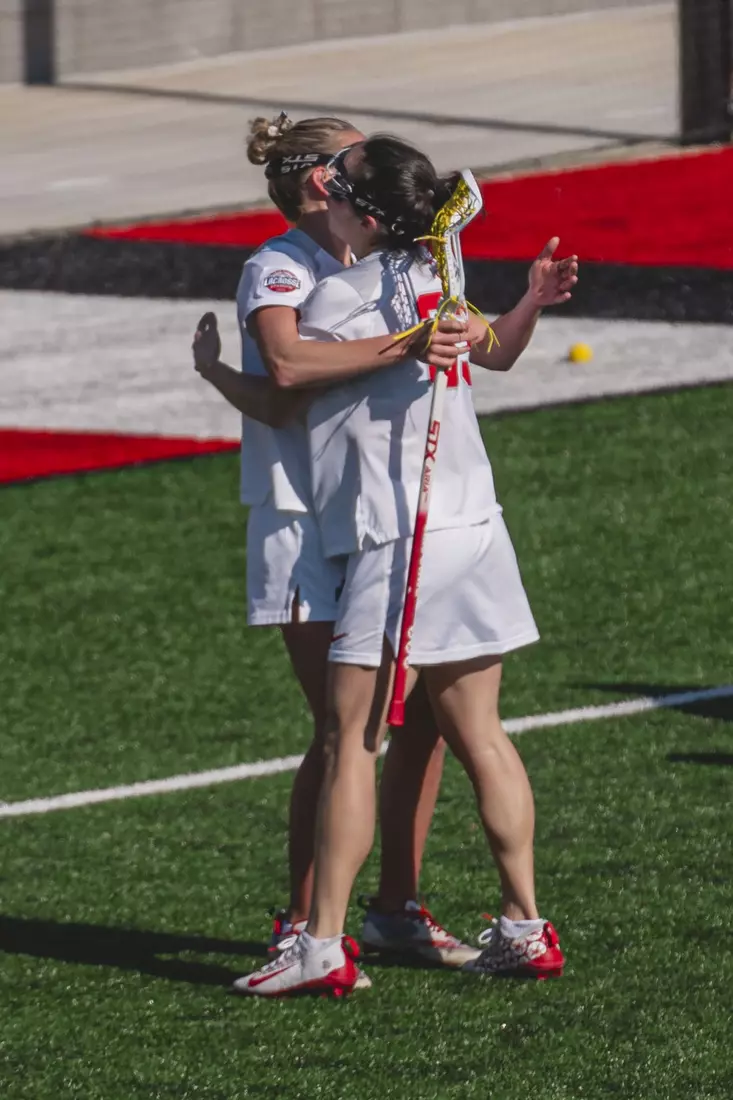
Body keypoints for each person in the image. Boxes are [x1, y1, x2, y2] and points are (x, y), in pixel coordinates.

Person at [235, 135, 578, 997]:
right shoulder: (443, 273)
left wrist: (213, 370)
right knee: (483, 735)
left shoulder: (336, 299)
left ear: (361, 210)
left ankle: (320, 946)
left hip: (403, 539)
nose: (328, 186)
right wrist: (522, 304)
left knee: (350, 738)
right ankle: (523, 926)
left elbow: (284, 376)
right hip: (478, 533)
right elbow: (493, 349)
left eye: (341, 183)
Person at [193, 113, 480, 975]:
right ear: (322, 179)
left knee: (422, 717)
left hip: (384, 513)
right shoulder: (278, 266)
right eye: (353, 155)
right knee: (340, 728)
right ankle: (301, 922)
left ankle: (394, 906)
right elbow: (283, 382)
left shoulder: (391, 257)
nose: (370, 166)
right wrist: (219, 373)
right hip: (299, 518)